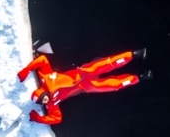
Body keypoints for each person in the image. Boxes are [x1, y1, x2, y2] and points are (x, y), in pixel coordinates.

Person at [18, 49, 148, 125]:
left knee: (108, 63)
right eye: (42, 102)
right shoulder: (52, 105)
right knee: (115, 85)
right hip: (87, 86)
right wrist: (39, 119)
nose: (44, 101)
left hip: (83, 72)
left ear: (42, 93)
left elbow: (42, 60)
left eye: (42, 98)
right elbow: (57, 118)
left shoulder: (45, 78)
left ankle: (135, 54)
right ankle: (140, 77)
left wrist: (26, 70)